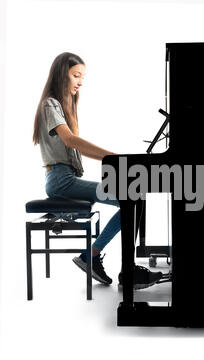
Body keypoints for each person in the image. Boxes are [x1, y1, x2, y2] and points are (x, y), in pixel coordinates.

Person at [32, 52, 162, 289]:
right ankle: (92, 255)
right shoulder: (50, 104)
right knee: (129, 199)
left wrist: (114, 159)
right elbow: (71, 141)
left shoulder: (63, 106)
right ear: (62, 74)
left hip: (66, 179)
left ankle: (102, 258)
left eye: (82, 76)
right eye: (76, 75)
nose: (80, 81)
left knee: (132, 198)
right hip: (61, 182)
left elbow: (75, 146)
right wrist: (114, 157)